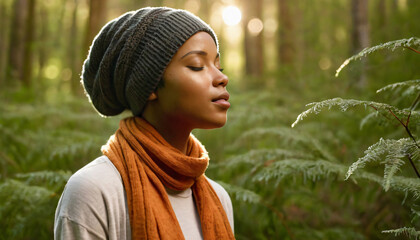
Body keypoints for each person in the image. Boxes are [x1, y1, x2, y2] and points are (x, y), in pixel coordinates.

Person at [54, 6, 235, 240]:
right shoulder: (94, 191)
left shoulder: (218, 199)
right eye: (197, 66)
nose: (222, 78)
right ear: (149, 85)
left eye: (218, 66)